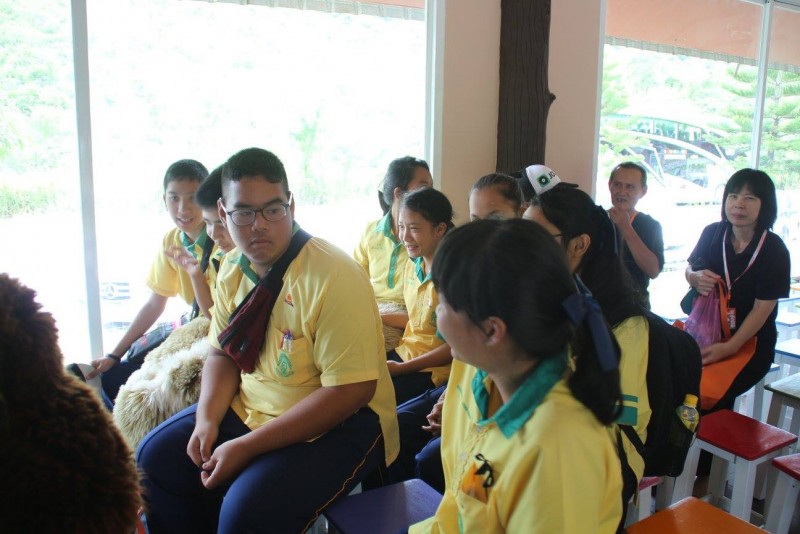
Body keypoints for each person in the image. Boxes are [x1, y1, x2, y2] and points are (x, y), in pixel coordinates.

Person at [136, 147, 399, 534]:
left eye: (272, 210)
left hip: (342, 423)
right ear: (223, 212)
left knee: (247, 513)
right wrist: (207, 420)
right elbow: (222, 355)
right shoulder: (231, 269)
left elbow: (351, 391)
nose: (258, 225)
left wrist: (247, 446)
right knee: (155, 459)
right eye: (244, 213)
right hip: (253, 406)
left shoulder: (333, 275)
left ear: (291, 206)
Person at [409, 219, 624, 533]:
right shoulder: (495, 392)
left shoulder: (556, 447)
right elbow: (473, 504)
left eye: (443, 304)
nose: (435, 316)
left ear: (492, 330)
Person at [524, 177, 650, 525]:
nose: (521, 249)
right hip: (544, 438)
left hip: (603, 457)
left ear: (579, 245)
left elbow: (618, 415)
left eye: (536, 238)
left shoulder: (624, 322)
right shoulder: (540, 295)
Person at [391, 173, 524, 489]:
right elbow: (468, 370)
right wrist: (447, 399)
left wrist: (461, 413)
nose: (439, 312)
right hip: (468, 402)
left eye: (447, 303)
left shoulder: (514, 289)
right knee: (398, 429)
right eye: (476, 219)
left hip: (492, 428)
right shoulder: (476, 269)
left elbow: (480, 497)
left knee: (437, 465)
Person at [89, 159, 211, 404]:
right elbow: (155, 303)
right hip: (193, 330)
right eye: (174, 198)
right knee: (114, 377)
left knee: (154, 395)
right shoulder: (172, 240)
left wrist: (195, 274)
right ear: (164, 200)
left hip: (216, 337)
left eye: (193, 198)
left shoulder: (223, 240)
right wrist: (114, 354)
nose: (183, 209)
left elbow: (216, 315)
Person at [685, 168, 790, 411]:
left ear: (765, 205)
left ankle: (711, 435)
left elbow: (762, 308)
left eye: (749, 198)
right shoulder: (713, 232)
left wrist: (730, 347)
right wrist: (693, 278)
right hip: (708, 333)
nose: (739, 204)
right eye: (733, 196)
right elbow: (691, 267)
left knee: (709, 394)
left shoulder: (774, 249)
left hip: (750, 343)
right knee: (678, 381)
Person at [387, 187, 454, 405]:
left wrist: (402, 369)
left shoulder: (451, 278)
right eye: (401, 227)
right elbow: (419, 321)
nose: (405, 237)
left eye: (414, 228)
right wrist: (377, 317)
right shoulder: (412, 265)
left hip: (432, 371)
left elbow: (452, 347)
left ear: (440, 229)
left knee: (371, 400)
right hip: (405, 353)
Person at [354, 156, 433, 307]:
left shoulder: (429, 236)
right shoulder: (371, 231)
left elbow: (428, 301)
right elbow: (354, 277)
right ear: (398, 193)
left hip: (410, 312)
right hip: (374, 307)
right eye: (424, 188)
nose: (430, 195)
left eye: (431, 188)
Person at [165, 165, 235, 319]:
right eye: (208, 222)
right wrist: (196, 274)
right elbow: (214, 316)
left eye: (221, 223)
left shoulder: (225, 254)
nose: (183, 209)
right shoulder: (220, 258)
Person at [607, 162, 664, 308]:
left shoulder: (650, 225)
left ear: (643, 191)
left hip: (634, 308)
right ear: (610, 185)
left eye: (630, 187)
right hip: (597, 306)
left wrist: (626, 228)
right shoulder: (596, 218)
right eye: (617, 185)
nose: (622, 192)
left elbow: (653, 271)